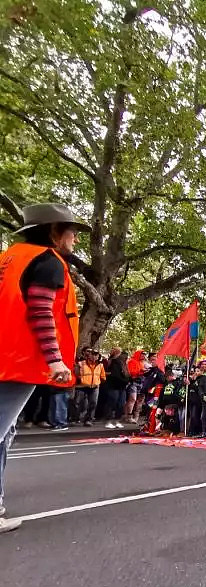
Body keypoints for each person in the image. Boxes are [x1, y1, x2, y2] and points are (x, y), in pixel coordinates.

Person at [0, 203, 89, 533]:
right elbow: (40, 311)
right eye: (71, 231)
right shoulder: (47, 261)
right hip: (17, 360)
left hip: (5, 355)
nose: (75, 238)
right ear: (53, 231)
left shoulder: (10, 257)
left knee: (5, 432)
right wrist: (54, 359)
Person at [74, 347, 105, 426]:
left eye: (96, 355)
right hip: (82, 386)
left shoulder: (100, 365)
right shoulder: (81, 363)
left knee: (93, 403)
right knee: (77, 403)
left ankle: (89, 420)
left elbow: (103, 376)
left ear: (98, 356)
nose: (94, 356)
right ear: (89, 355)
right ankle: (75, 418)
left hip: (94, 386)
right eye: (93, 354)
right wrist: (80, 379)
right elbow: (76, 373)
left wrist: (98, 382)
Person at [124, 349, 148, 424]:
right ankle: (129, 416)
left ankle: (136, 417)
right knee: (132, 399)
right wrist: (141, 371)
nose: (143, 356)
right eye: (142, 354)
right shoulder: (132, 361)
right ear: (138, 354)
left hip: (141, 382)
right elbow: (130, 372)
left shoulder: (142, 363)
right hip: (133, 382)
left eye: (144, 354)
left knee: (140, 400)